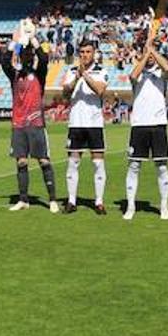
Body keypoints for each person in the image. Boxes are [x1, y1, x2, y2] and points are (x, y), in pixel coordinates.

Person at [1, 33, 58, 212]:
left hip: (36, 124)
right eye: (24, 54)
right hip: (19, 125)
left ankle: (52, 200)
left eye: (29, 54)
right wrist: (16, 43)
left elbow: (43, 58)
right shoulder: (15, 75)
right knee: (21, 162)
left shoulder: (39, 74)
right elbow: (4, 61)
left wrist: (33, 39)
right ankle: (23, 199)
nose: (27, 57)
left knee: (43, 161)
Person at [124, 33, 168, 221]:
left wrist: (152, 48)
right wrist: (146, 53)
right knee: (134, 165)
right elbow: (133, 75)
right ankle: (130, 206)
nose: (150, 56)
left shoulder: (162, 74)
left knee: (161, 166)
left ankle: (163, 206)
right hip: (139, 125)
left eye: (153, 54)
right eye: (147, 53)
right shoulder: (138, 71)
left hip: (158, 125)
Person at [61, 40, 109, 214]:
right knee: (73, 163)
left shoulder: (100, 71)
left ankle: (99, 202)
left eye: (88, 52)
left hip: (94, 124)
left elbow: (100, 90)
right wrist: (77, 77)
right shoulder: (71, 71)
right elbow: (65, 93)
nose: (84, 55)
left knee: (97, 163)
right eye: (81, 52)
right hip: (76, 123)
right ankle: (72, 201)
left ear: (94, 53)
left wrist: (85, 76)